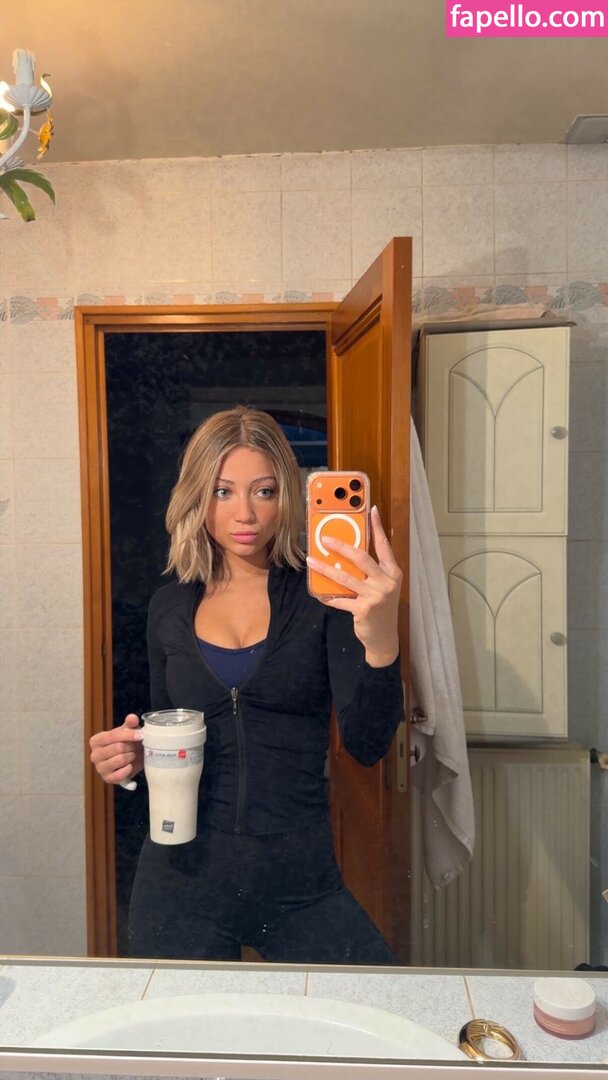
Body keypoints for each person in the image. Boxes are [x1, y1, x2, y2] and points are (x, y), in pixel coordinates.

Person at [90, 406, 404, 964]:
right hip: (181, 880)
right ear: (197, 497)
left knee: (383, 1005)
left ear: (286, 497)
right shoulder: (168, 607)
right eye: (222, 491)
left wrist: (382, 641)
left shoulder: (325, 599)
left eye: (264, 491)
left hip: (299, 880)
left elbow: (367, 743)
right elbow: (166, 726)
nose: (245, 514)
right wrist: (132, 755)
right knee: (175, 1023)